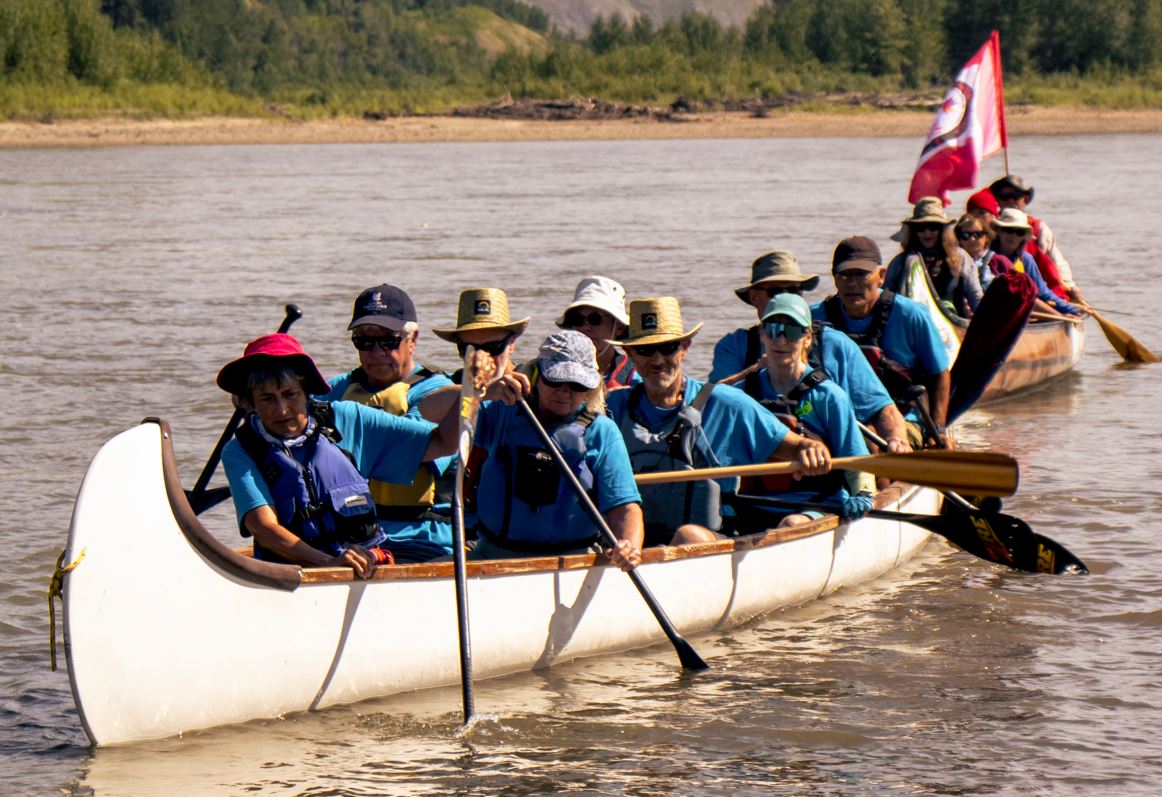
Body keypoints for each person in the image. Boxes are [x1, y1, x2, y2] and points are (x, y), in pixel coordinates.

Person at [217, 333, 460, 578]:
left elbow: (443, 443)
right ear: (251, 403)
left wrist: (471, 392)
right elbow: (264, 528)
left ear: (307, 391)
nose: (282, 410)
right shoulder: (240, 451)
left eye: (290, 394)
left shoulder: (348, 419)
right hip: (293, 574)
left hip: (363, 565)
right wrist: (328, 563)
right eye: (267, 398)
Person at [604, 296, 832, 547]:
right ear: (629, 353)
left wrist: (813, 450)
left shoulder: (727, 404)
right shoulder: (612, 408)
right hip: (631, 546)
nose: (657, 360)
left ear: (685, 348)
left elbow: (799, 446)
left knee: (688, 535)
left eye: (668, 347)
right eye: (646, 350)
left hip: (712, 540)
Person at [463, 330, 643, 570]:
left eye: (577, 385)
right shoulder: (501, 412)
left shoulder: (603, 432)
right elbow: (429, 410)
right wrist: (480, 392)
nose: (564, 392)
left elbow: (625, 507)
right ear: (536, 375)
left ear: (591, 387)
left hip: (575, 560)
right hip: (493, 554)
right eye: (555, 380)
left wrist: (629, 546)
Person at [710, 250, 912, 454]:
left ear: (807, 338)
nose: (785, 298)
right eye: (776, 291)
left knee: (870, 439)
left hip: (828, 462)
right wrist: (756, 370)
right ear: (754, 297)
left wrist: (896, 439)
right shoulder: (733, 346)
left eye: (793, 291)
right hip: (758, 457)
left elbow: (880, 406)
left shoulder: (835, 343)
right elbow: (712, 403)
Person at [322, 284, 456, 562]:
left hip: (421, 539)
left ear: (413, 338)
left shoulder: (440, 394)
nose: (376, 351)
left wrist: (348, 423)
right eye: (364, 341)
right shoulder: (338, 388)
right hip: (352, 538)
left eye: (388, 340)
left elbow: (412, 448)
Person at [737, 294, 875, 527]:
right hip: (753, 505)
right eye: (773, 329)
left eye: (791, 331)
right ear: (762, 334)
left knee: (791, 523)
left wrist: (863, 494)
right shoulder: (741, 395)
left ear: (808, 338)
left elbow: (857, 461)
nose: (780, 340)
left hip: (815, 507)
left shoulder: (830, 397)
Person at [813, 236, 953, 449]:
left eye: (861, 274)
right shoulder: (812, 320)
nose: (852, 283)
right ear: (834, 278)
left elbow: (939, 374)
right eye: (844, 275)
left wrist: (939, 429)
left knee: (870, 440)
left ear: (881, 276)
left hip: (904, 421)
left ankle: (880, 481)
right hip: (840, 421)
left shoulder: (912, 315)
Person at [990, 174, 1084, 303]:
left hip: (1041, 291)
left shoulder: (1038, 228)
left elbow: (1056, 262)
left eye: (1016, 196)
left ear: (1025, 199)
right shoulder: (988, 227)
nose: (1010, 201)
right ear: (998, 200)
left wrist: (1071, 287)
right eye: (1005, 197)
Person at [884, 196, 982, 317]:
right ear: (914, 231)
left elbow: (976, 298)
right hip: (911, 324)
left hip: (952, 328)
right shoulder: (901, 261)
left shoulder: (960, 257)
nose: (927, 233)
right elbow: (886, 298)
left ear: (942, 229)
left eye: (933, 227)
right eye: (921, 228)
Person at [990, 209, 1084, 318]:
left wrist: (1071, 309)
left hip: (1021, 312)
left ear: (1023, 237)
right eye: (1008, 230)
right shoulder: (986, 256)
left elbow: (1042, 292)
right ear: (999, 231)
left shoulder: (1026, 259)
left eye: (1019, 232)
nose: (1013, 236)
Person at [555, 275, 639, 391]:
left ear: (618, 327)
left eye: (595, 319)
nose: (585, 327)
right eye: (577, 319)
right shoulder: (554, 372)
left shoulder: (637, 376)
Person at [954, 213, 1018, 292]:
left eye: (977, 234)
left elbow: (1020, 289)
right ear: (958, 238)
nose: (972, 239)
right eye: (966, 235)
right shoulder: (953, 262)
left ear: (987, 237)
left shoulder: (999, 261)